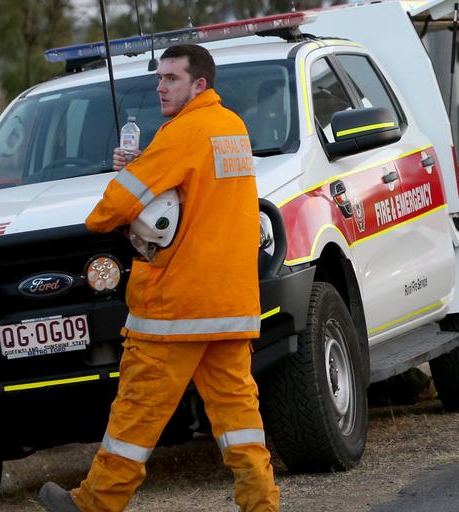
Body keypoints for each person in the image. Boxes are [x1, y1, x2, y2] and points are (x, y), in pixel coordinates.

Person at [39, 44, 279, 511]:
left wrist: (115, 194)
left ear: (199, 85)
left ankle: (94, 505)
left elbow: (115, 207)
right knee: (240, 421)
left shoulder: (183, 133)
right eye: (159, 78)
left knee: (136, 415)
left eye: (171, 78)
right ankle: (262, 505)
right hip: (229, 305)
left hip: (176, 309)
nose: (161, 87)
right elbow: (200, 198)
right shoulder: (233, 128)